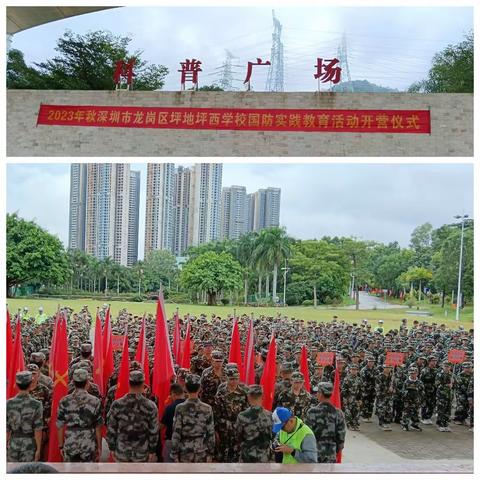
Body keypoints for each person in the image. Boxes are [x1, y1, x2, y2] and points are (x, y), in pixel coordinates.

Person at [107, 370, 159, 462]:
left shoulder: (117, 404)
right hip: (142, 453)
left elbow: (111, 429)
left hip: (122, 451)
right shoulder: (150, 406)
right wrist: (152, 450)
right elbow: (154, 431)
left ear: (129, 383)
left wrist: (112, 448)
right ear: (143, 383)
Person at [56, 369, 103, 462]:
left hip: (70, 441)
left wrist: (61, 446)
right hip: (88, 442)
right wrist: (99, 447)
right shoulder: (95, 401)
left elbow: (60, 426)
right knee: (87, 474)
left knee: (71, 473)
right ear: (87, 383)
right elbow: (98, 427)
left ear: (73, 382)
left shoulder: (64, 401)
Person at [171, 374, 215, 462]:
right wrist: (210, 453)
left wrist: (174, 453)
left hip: (184, 451)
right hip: (201, 450)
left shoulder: (180, 408)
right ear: (200, 389)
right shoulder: (207, 408)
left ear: (185, 388)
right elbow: (211, 433)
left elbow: (176, 432)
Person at [6, 371, 44, 462]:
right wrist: (38, 449)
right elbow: (38, 429)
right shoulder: (36, 404)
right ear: (30, 384)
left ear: (17, 384)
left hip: (13, 445)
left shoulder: (8, 403)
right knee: (27, 474)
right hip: (29, 446)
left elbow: (6, 429)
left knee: (12, 473)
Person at [305, 382, 345, 463]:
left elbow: (307, 434)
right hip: (331, 453)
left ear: (321, 394)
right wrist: (335, 450)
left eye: (318, 392)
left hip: (314, 453)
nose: (316, 394)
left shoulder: (312, 412)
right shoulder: (338, 413)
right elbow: (341, 436)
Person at [235, 384, 273, 463]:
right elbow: (273, 436)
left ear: (249, 397)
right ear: (262, 397)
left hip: (247, 457)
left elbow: (238, 436)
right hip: (264, 457)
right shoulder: (270, 415)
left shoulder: (242, 416)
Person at [160, 383, 185, 462]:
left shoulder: (170, 407)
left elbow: (161, 426)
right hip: (186, 443)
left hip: (171, 442)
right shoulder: (189, 406)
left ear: (173, 394)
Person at [401, 366, 424, 432]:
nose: (413, 375)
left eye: (414, 373)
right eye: (411, 373)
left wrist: (421, 399)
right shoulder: (406, 382)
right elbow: (403, 391)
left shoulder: (419, 382)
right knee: (406, 413)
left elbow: (422, 391)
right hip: (408, 401)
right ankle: (405, 425)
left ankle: (414, 425)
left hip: (416, 401)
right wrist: (407, 393)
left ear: (417, 373)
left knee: (416, 413)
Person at [374, 364, 395, 431]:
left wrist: (393, 389)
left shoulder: (392, 376)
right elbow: (378, 387)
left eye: (389, 368)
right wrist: (387, 389)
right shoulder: (379, 376)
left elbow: (394, 385)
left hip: (390, 396)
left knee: (389, 410)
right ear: (384, 368)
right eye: (386, 368)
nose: (388, 369)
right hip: (382, 396)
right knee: (381, 410)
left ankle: (387, 423)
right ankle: (381, 423)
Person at [435, 362, 453, 432]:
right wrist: (447, 385)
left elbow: (457, 384)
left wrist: (454, 383)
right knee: (441, 410)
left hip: (449, 395)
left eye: (448, 366)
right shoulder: (439, 374)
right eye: (445, 366)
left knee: (448, 411)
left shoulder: (452, 374)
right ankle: (440, 425)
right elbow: (437, 384)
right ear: (443, 367)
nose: (447, 368)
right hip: (441, 395)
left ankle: (446, 424)